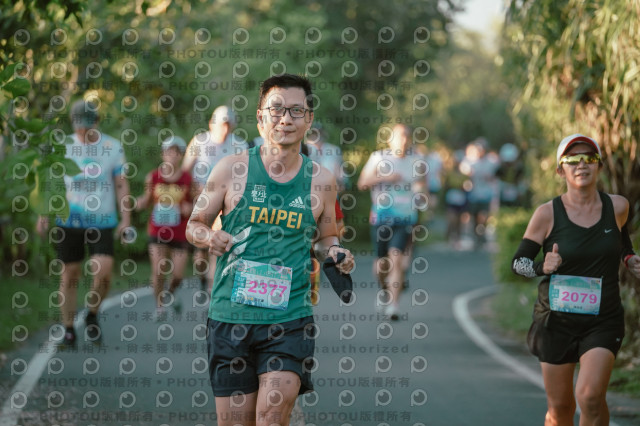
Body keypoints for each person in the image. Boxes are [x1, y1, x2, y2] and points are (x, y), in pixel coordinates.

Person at [186, 73, 354, 426]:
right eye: (276, 109)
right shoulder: (230, 169)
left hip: (289, 318)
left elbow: (326, 238)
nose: (286, 119)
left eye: (296, 110)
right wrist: (208, 237)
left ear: (308, 118)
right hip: (231, 316)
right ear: (260, 117)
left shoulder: (322, 181)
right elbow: (194, 224)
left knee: (272, 415)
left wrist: (336, 253)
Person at [511, 134, 640, 425]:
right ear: (561, 170)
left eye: (589, 159)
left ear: (599, 167)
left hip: (602, 319)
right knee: (560, 409)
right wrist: (543, 266)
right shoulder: (546, 214)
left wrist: (629, 259)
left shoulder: (618, 207)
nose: (582, 165)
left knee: (591, 396)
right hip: (556, 322)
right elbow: (518, 264)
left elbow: (621, 242)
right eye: (572, 160)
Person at [36, 98, 131, 347]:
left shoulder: (112, 147)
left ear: (97, 122)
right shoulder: (63, 146)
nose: (83, 132)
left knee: (103, 272)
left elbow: (121, 184)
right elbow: (51, 183)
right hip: (69, 219)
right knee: (70, 274)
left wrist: (126, 219)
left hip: (102, 219)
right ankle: (68, 329)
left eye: (87, 126)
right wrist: (43, 214)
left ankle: (91, 314)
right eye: (79, 127)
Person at [357, 124, 429, 320]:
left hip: (405, 218)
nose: (403, 140)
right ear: (390, 140)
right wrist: (386, 177)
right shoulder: (379, 158)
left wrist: (422, 196)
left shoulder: (416, 161)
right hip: (381, 217)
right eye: (399, 136)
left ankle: (393, 305)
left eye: (406, 136)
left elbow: (422, 185)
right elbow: (362, 183)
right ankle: (384, 289)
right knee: (381, 265)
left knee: (396, 258)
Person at [182, 106, 247, 293]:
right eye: (221, 125)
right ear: (212, 124)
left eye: (228, 125)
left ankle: (212, 288)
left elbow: (245, 175)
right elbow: (185, 172)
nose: (224, 129)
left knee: (217, 242)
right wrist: (188, 196)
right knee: (200, 253)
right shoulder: (199, 141)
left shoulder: (239, 144)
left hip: (225, 202)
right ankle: (204, 278)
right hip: (200, 199)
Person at [135, 136, 193, 321]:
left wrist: (189, 208)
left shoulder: (187, 179)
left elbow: (197, 204)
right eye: (169, 151)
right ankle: (160, 307)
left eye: (177, 152)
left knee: (177, 275)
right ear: (163, 154)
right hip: (157, 230)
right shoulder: (153, 177)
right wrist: (139, 203)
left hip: (180, 231)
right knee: (158, 271)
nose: (172, 156)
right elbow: (147, 200)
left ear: (181, 155)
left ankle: (169, 294)